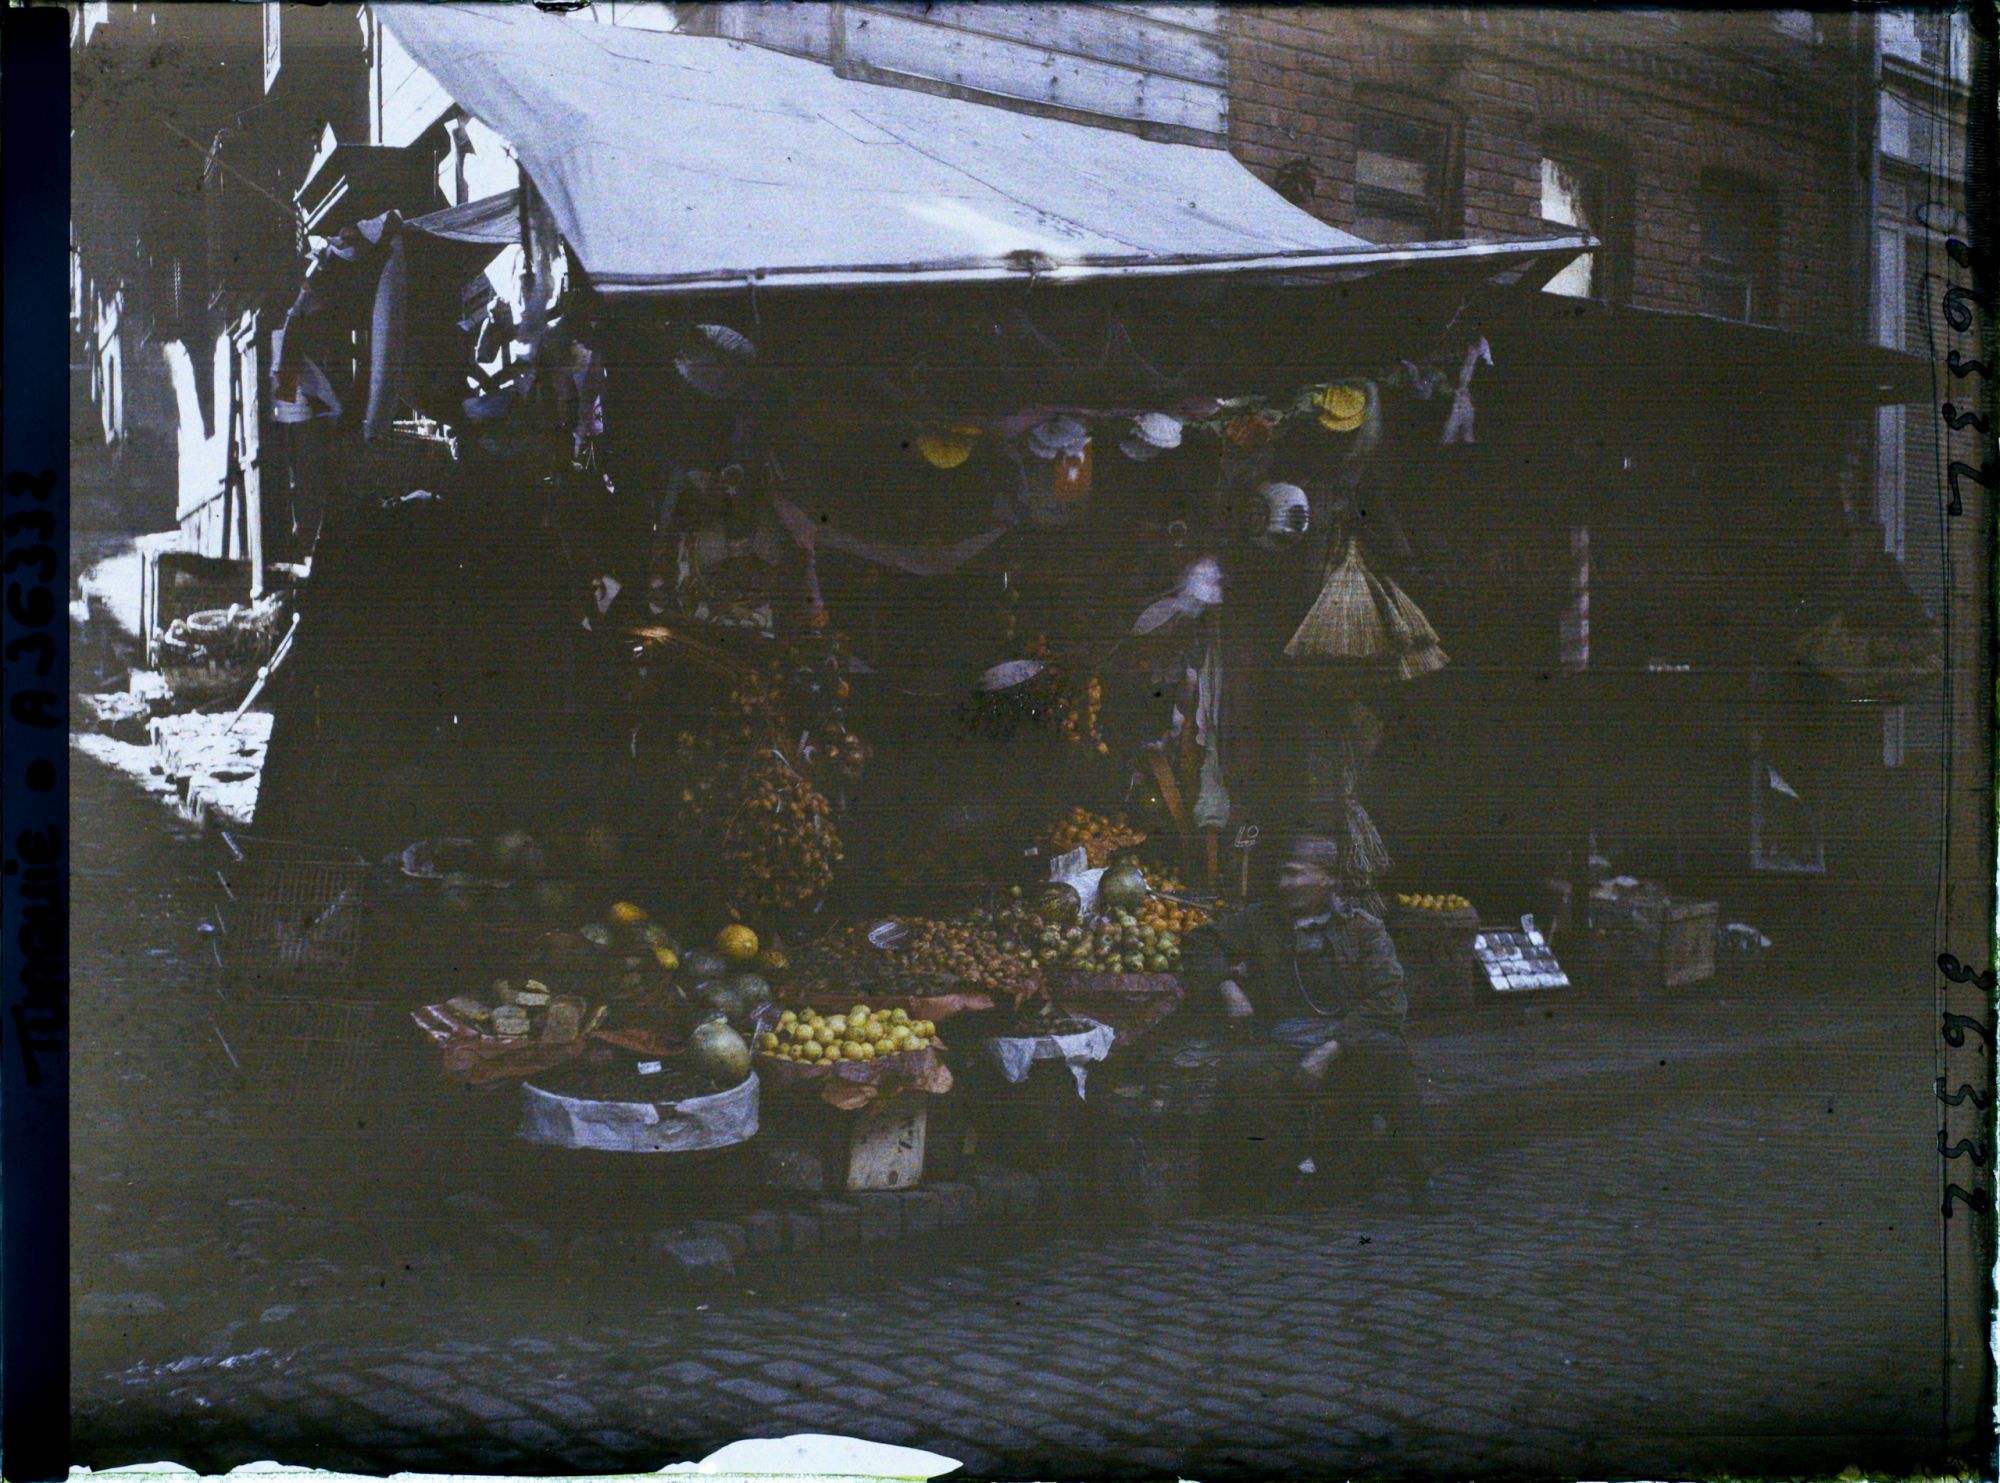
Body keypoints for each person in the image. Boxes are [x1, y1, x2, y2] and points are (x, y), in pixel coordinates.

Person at [1176, 834, 1437, 1209]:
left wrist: (1331, 1049)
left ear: (1328, 879)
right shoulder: (1260, 920)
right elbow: (1200, 942)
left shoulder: (1363, 929)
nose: (1285, 884)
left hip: (1348, 1041)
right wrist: (1227, 985)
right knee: (1242, 1072)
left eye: (1296, 874)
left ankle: (1420, 1176)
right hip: (1284, 1042)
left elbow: (1388, 1000)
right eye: (1281, 875)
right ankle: (1284, 1175)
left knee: (1391, 1058)